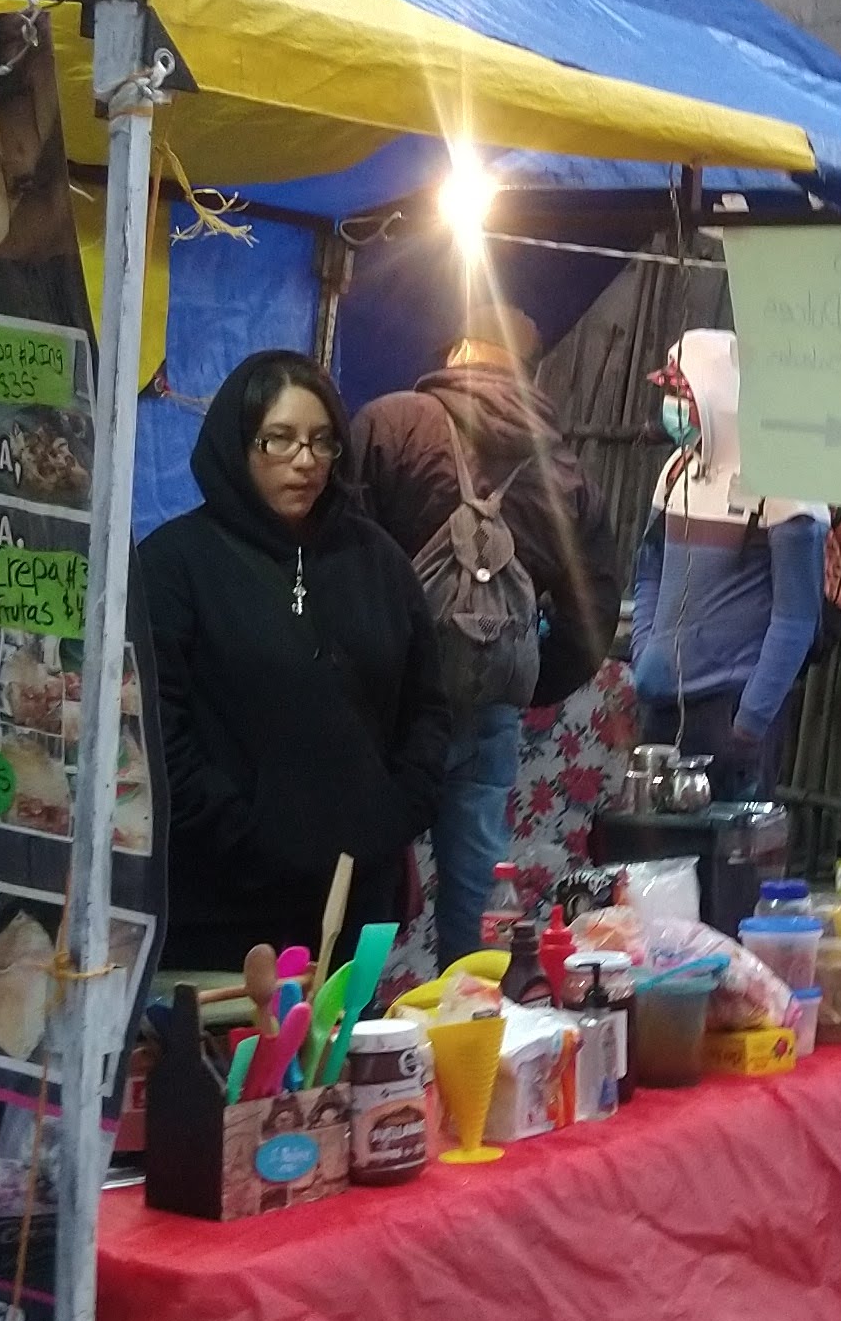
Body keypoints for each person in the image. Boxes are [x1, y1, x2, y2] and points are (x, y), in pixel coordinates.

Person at [137, 351, 451, 972]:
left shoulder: (378, 561)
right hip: (220, 912)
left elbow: (428, 709)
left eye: (321, 440)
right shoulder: (174, 565)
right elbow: (154, 731)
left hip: (352, 905)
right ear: (238, 444)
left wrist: (391, 817)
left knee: (347, 1037)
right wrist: (248, 836)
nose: (305, 461)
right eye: (278, 439)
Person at [351, 301, 614, 962]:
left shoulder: (390, 425)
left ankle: (355, 1018)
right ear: (531, 370)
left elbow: (339, 565)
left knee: (361, 876)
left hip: (384, 709)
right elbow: (592, 618)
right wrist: (520, 676)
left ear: (455, 351)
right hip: (489, 711)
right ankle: (469, 1013)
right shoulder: (567, 475)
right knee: (475, 892)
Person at [627, 327, 825, 796]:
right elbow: (649, 570)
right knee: (651, 843)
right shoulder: (677, 472)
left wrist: (750, 722)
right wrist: (645, 652)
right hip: (661, 707)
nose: (673, 407)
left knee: (726, 841)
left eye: (682, 394)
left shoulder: (784, 484)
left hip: (729, 714)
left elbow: (796, 619)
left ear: (716, 396)